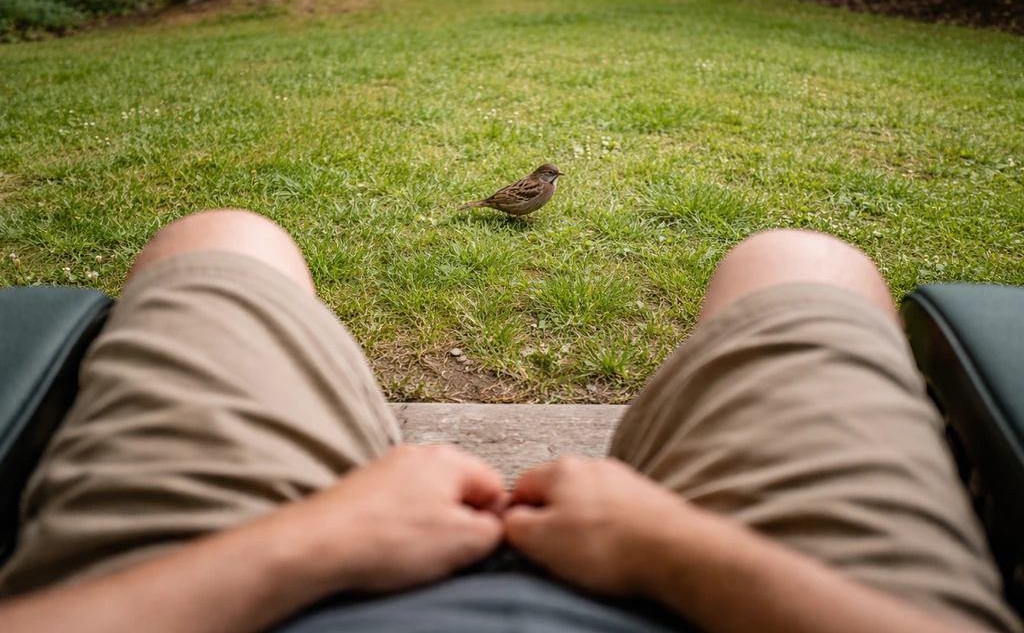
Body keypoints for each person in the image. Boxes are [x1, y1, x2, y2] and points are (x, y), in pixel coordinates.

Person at [0, 209, 1018, 633]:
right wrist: (678, 551)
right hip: (803, 603)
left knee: (222, 239)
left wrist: (312, 541)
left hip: (204, 599)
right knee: (801, 261)